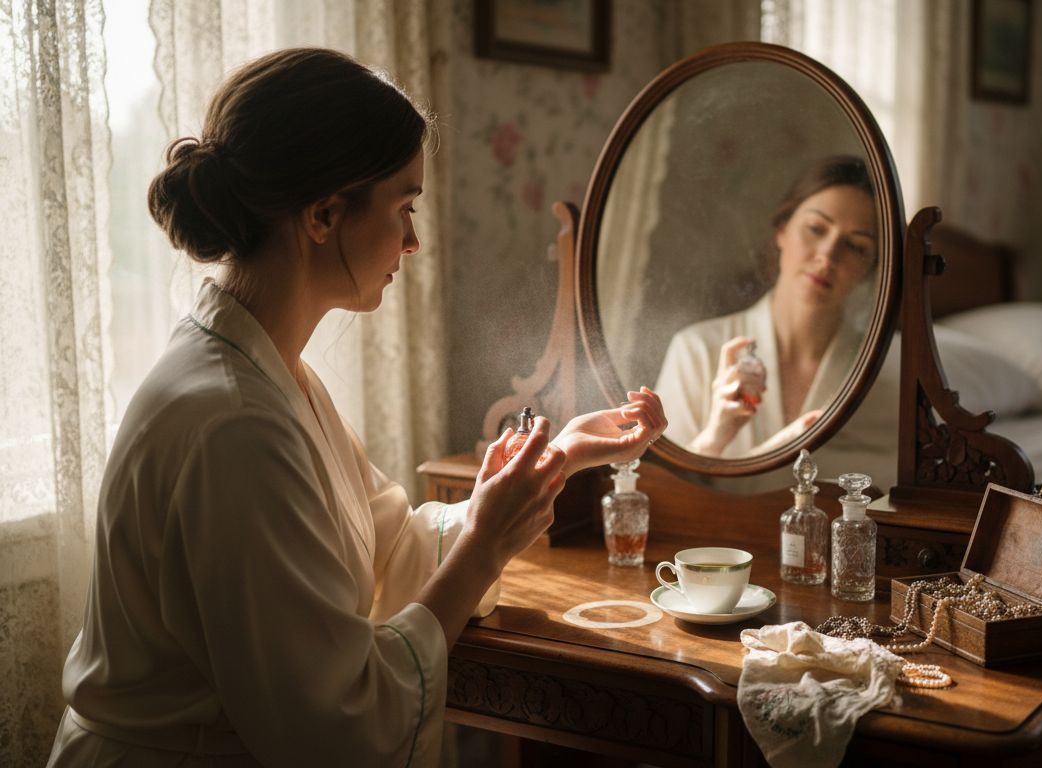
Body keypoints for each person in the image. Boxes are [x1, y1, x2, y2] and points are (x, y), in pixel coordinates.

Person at [47, 48, 666, 767]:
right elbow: (335, 725)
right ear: (322, 214)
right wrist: (486, 544)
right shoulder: (233, 422)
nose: (413, 239)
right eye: (404, 206)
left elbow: (387, 550)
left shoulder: (270, 376)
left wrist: (550, 464)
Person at [655, 155, 877, 459]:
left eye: (855, 246)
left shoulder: (882, 372)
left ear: (871, 268)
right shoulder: (695, 351)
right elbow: (667, 492)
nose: (828, 255)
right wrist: (715, 436)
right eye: (815, 228)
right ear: (782, 231)